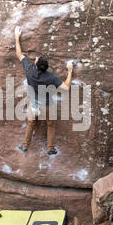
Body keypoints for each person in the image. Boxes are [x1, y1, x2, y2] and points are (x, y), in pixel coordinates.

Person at [14, 26, 73, 155]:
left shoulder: (30, 71)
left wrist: (17, 37)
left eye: (36, 59)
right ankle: (50, 148)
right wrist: (69, 71)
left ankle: (25, 146)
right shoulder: (50, 77)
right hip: (47, 105)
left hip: (34, 103)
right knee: (50, 125)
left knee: (31, 123)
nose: (35, 59)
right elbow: (66, 87)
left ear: (36, 64)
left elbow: (19, 54)